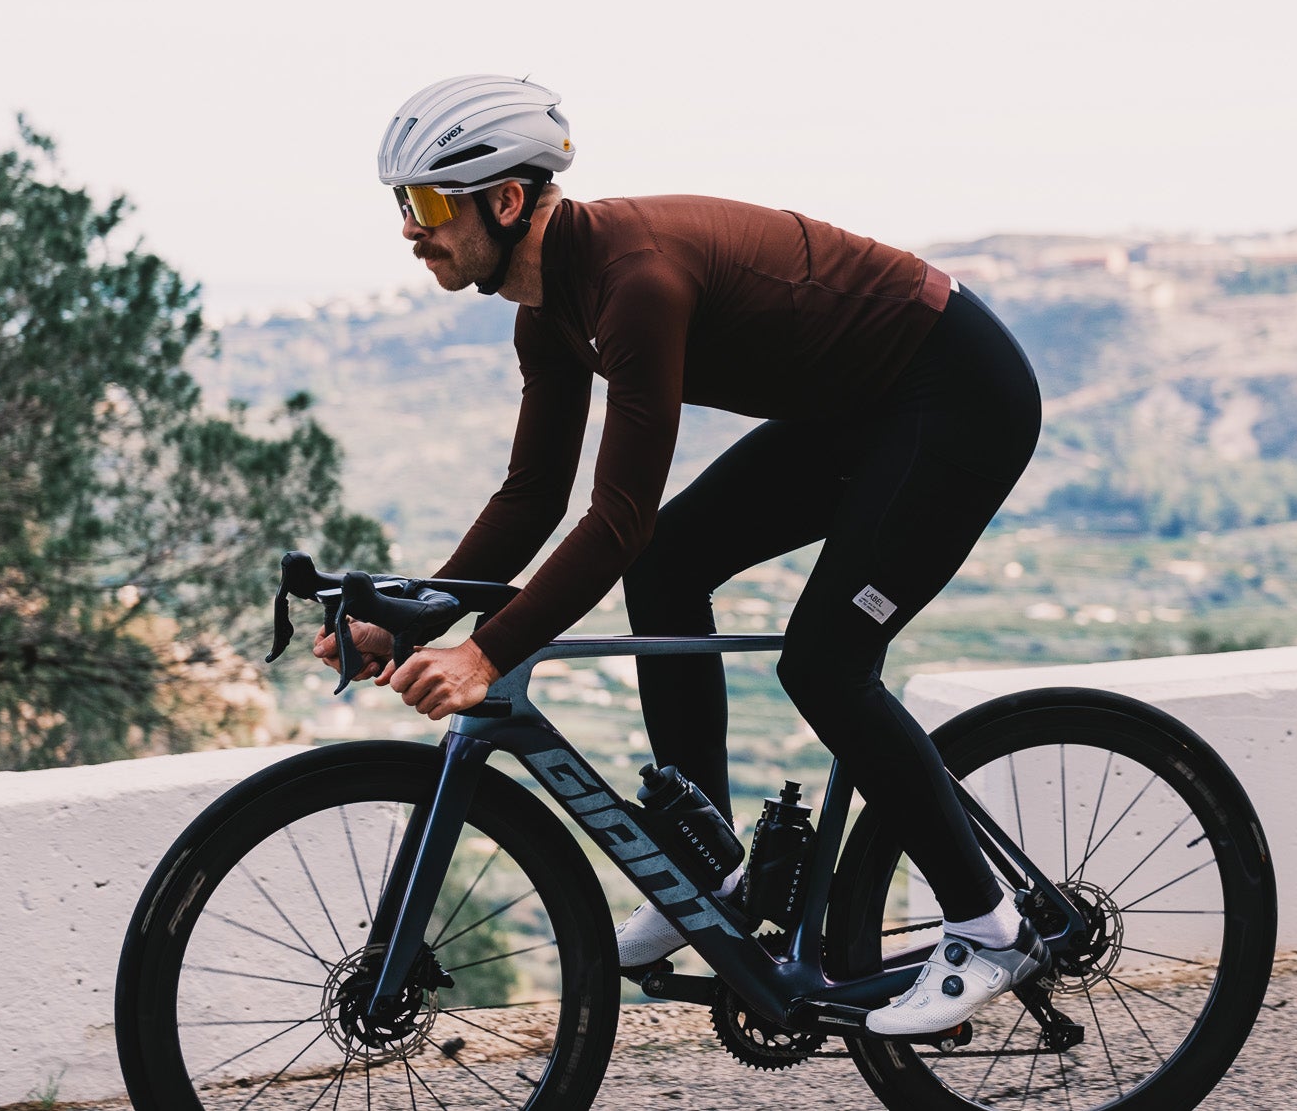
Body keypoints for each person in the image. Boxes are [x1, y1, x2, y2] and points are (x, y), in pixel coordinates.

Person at [316, 74, 1046, 1036]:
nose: (412, 229)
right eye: (404, 205)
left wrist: (487, 652)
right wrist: (409, 610)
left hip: (955, 396)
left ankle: (990, 923)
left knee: (824, 663)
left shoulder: (636, 282)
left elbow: (615, 515)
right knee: (668, 566)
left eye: (428, 204)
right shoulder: (550, 306)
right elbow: (534, 494)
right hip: (860, 411)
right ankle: (710, 871)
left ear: (505, 199)